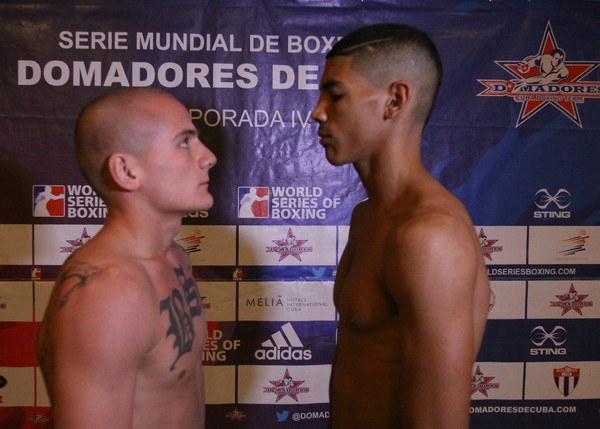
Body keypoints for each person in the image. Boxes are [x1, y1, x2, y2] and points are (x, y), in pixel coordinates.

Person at [311, 24, 490, 428]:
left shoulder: (429, 235)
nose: (317, 112)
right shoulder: (368, 216)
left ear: (395, 100)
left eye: (335, 95)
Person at [37, 87, 217, 429]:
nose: (208, 157)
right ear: (126, 171)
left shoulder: (175, 258)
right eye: (184, 142)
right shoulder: (108, 292)